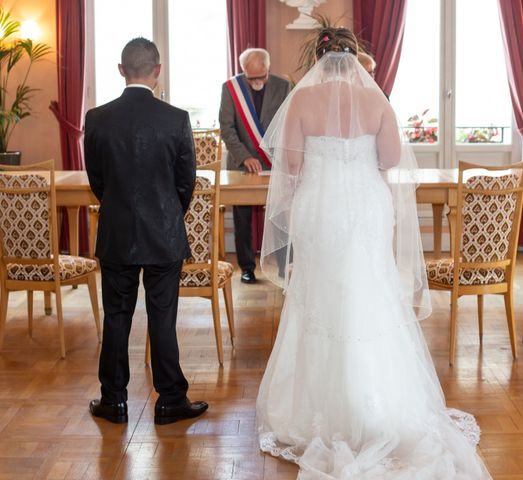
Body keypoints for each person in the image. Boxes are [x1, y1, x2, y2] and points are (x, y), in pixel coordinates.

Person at [256, 24, 492, 478]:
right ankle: (380, 405)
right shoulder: (377, 100)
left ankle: (319, 407)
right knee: (370, 292)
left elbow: (290, 165)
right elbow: (389, 159)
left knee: (321, 297)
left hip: (320, 209)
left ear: (318, 61)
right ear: (355, 60)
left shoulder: (302, 100)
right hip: (365, 208)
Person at [85, 38, 208, 425]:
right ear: (158, 71)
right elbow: (186, 181)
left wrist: (122, 207)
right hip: (163, 234)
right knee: (162, 317)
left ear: (121, 70)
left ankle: (113, 400)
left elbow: (97, 180)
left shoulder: (98, 118)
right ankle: (171, 399)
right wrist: (169, 213)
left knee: (116, 317)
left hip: (117, 232)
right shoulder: (176, 119)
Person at [219, 48, 291, 284]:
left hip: (274, 162)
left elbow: (288, 124)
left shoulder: (283, 86)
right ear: (243, 72)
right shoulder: (231, 89)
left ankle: (284, 267)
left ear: (268, 69)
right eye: (252, 78)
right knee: (242, 218)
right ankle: (247, 267)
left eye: (262, 76)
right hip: (242, 165)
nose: (257, 82)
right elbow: (227, 128)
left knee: (281, 215)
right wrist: (244, 156)